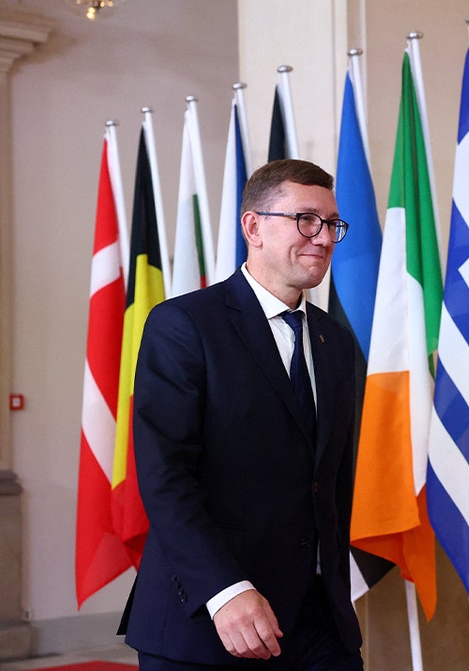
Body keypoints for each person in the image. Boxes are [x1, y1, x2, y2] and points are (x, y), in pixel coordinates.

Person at [119, 159, 363, 669]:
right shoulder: (183, 325)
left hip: (319, 621)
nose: (323, 238)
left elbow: (332, 481)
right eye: (306, 220)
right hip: (210, 619)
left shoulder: (336, 340)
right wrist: (225, 590)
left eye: (331, 224)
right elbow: (165, 476)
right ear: (253, 227)